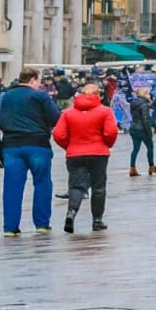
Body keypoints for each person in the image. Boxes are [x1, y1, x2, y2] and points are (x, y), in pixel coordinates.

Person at [0, 68, 62, 236]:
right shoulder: (41, 96)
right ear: (33, 80)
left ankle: (10, 228)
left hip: (11, 147)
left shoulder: (4, 97)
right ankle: (42, 224)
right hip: (38, 145)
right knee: (42, 183)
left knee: (12, 187)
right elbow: (55, 118)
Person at [52, 81, 118, 234]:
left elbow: (58, 134)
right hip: (98, 153)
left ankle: (71, 213)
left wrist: (69, 146)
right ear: (97, 95)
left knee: (76, 185)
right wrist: (106, 144)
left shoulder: (68, 113)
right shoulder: (105, 111)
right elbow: (111, 132)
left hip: (75, 153)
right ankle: (97, 220)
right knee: (98, 187)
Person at [125, 84, 156, 177]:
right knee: (150, 147)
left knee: (135, 149)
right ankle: (151, 166)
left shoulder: (133, 103)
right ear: (145, 95)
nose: (150, 96)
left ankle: (132, 168)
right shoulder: (144, 105)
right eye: (148, 94)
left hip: (133, 128)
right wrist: (149, 132)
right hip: (142, 129)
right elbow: (145, 120)